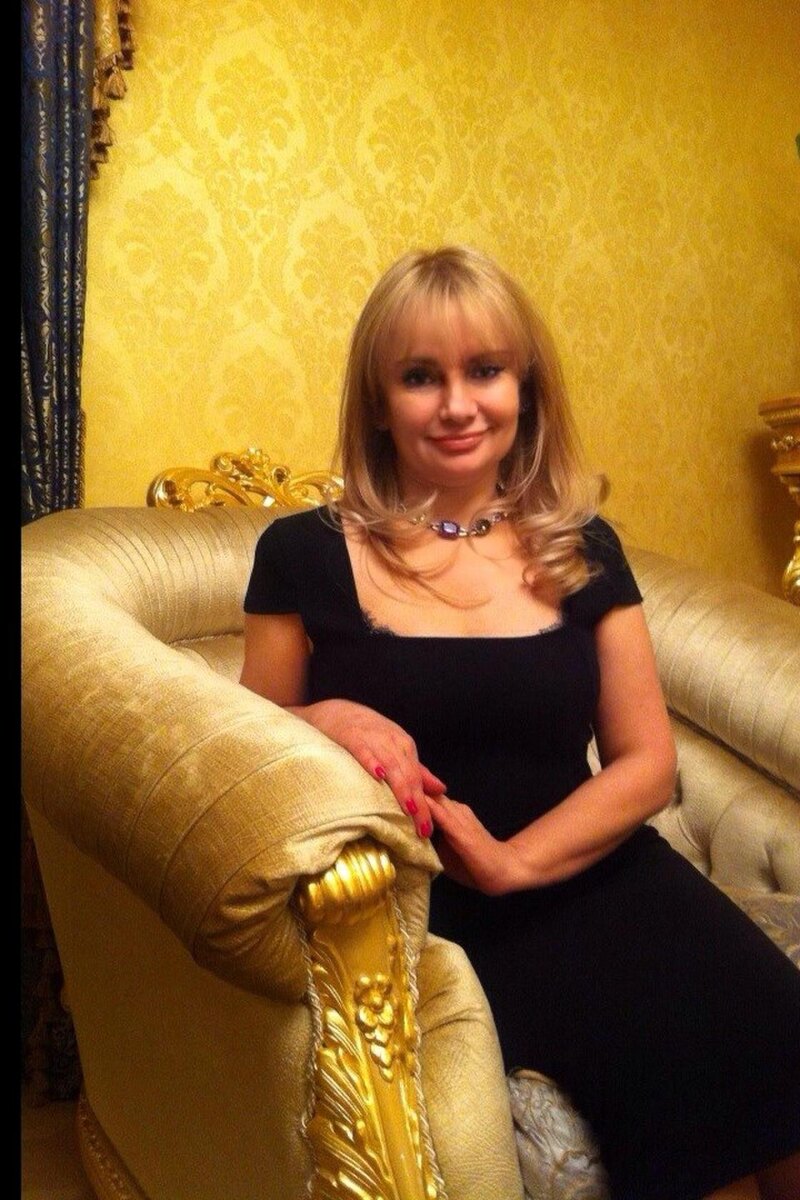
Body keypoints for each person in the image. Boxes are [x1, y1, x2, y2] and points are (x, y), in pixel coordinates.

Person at [240, 245, 800, 1200]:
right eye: (421, 377)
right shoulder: (303, 554)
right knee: (680, 1114)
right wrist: (328, 714)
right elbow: (244, 741)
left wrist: (513, 862)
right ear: (378, 401)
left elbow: (646, 761)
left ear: (525, 389)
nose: (458, 405)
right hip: (424, 908)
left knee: (778, 1035)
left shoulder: (582, 546)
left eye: (486, 371)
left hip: (594, 869)